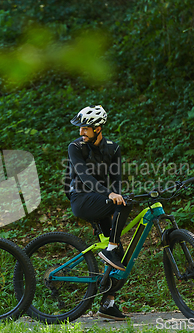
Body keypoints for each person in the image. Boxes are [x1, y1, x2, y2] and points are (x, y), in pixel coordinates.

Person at [67, 105, 132, 321]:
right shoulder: (75, 147)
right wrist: (111, 196)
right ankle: (110, 248)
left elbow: (117, 182)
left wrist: (116, 195)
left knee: (120, 259)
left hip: (102, 199)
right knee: (121, 206)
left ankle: (107, 303)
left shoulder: (113, 149)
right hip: (82, 199)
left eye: (85, 128)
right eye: (80, 128)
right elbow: (85, 177)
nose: (81, 132)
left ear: (98, 128)